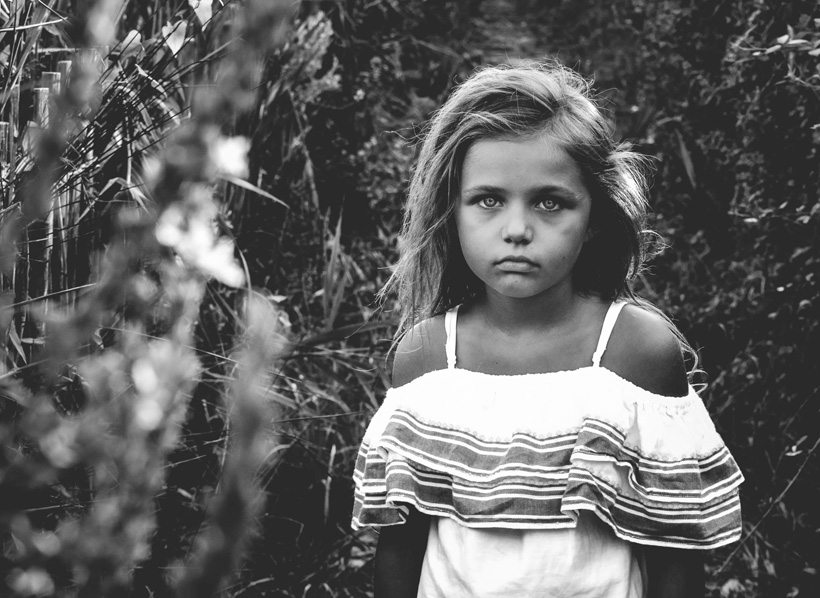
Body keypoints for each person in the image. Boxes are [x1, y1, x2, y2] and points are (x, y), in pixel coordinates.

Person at [352, 61, 743, 598]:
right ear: (452, 210)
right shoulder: (427, 358)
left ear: (595, 219)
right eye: (488, 200)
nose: (517, 230)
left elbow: (673, 556)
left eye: (550, 202)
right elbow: (400, 547)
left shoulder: (636, 353)